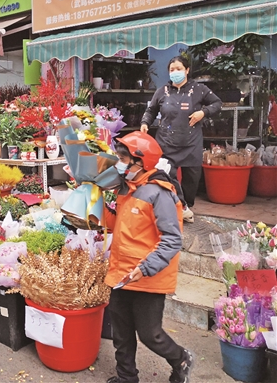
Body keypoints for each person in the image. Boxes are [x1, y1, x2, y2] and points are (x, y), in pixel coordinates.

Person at [104, 131, 193, 383]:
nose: (118, 163)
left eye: (123, 158)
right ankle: (126, 377)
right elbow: (119, 225)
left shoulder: (159, 193)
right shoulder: (128, 189)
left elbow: (172, 239)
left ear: (141, 163)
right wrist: (93, 206)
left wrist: (146, 267)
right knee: (120, 332)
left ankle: (181, 358)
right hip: (122, 273)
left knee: (149, 334)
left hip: (147, 276)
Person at [141, 55, 222, 223]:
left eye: (178, 69)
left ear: (187, 70)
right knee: (168, 174)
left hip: (191, 142)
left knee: (192, 179)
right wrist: (144, 123)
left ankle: (187, 205)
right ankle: (181, 207)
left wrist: (203, 113)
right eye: (172, 70)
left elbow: (217, 103)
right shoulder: (162, 91)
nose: (175, 72)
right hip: (166, 142)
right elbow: (151, 110)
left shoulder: (199, 89)